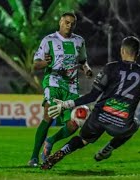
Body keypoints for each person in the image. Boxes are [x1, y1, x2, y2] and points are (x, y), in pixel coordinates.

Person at [41, 36, 140, 170]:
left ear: (122, 51)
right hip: (121, 124)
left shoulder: (111, 68)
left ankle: (62, 151)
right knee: (135, 124)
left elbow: (92, 95)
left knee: (83, 140)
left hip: (99, 117)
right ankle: (107, 150)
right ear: (137, 53)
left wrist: (66, 104)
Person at [27, 12, 93, 167]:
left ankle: (50, 141)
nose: (69, 26)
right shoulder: (49, 40)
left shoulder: (79, 41)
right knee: (49, 115)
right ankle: (34, 157)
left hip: (71, 87)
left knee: (74, 123)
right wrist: (46, 63)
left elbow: (83, 61)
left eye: (72, 23)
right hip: (54, 82)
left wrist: (87, 70)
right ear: (60, 22)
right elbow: (35, 65)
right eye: (66, 22)